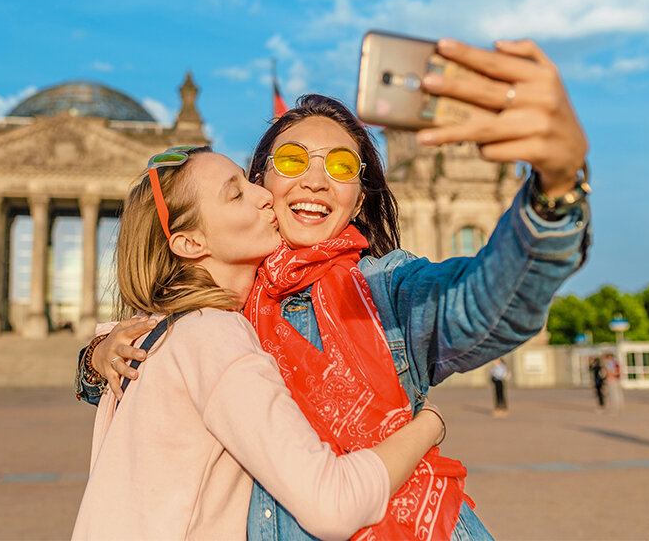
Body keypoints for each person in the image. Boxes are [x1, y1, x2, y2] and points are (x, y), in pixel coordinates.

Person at [76, 38, 591, 540]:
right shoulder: (209, 314)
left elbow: (483, 303)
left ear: (358, 199)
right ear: (260, 184)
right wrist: (95, 358)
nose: (317, 180)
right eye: (294, 160)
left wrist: (554, 194)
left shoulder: (387, 290)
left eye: (342, 166)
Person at [72, 146, 449, 540]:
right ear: (189, 244)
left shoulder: (149, 335)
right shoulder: (211, 334)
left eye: (249, 182)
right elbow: (332, 503)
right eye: (235, 194)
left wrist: (94, 356)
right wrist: (429, 424)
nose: (264, 195)